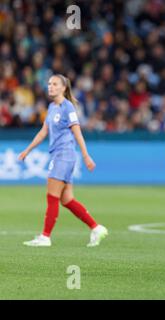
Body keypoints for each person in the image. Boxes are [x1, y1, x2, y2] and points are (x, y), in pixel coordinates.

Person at [19, 74, 108, 247]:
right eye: (49, 83)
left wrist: (86, 155)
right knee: (66, 200)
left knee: (52, 196)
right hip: (59, 155)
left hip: (64, 155)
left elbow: (77, 133)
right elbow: (43, 132)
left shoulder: (68, 108)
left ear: (63, 88)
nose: (50, 86)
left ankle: (45, 237)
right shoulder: (52, 107)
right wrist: (27, 150)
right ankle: (96, 228)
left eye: (54, 84)